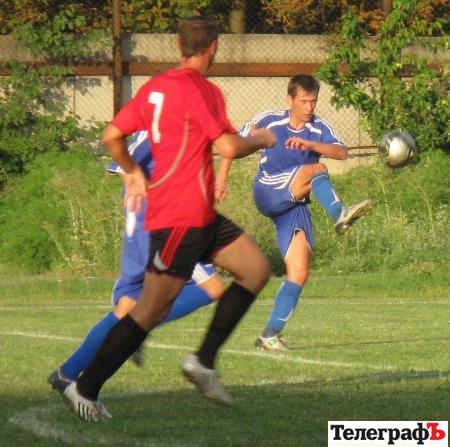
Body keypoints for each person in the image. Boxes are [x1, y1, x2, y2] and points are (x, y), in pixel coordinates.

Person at [61, 16, 276, 421]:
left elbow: (111, 135)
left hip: (201, 214)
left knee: (255, 269)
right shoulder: (203, 89)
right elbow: (229, 147)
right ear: (213, 47)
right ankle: (84, 388)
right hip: (180, 218)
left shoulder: (155, 87)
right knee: (148, 311)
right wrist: (263, 138)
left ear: (179, 45)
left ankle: (203, 362)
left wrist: (131, 170)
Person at [47, 131, 228, 395]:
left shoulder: (159, 132)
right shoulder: (161, 132)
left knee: (127, 307)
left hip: (144, 237)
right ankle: (141, 326)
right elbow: (125, 164)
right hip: (163, 232)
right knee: (211, 288)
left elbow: (124, 165)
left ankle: (67, 372)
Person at [240, 74, 372, 352]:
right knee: (318, 170)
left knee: (299, 273)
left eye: (313, 101)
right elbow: (232, 143)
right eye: (303, 101)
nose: (309, 107)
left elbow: (341, 152)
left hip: (294, 204)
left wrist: (311, 145)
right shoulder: (270, 120)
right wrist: (221, 177)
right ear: (290, 99)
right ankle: (339, 214)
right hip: (268, 189)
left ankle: (269, 336)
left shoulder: (319, 127)